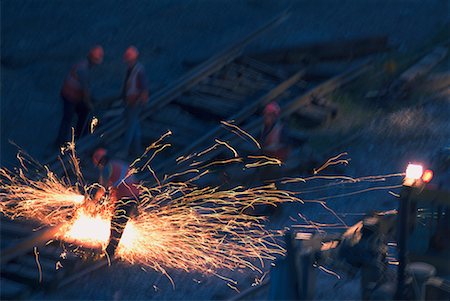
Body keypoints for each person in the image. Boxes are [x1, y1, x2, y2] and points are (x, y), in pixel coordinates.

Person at [92, 148, 140, 257]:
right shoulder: (119, 164)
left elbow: (102, 189)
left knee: (116, 224)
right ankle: (111, 251)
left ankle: (109, 254)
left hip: (125, 196)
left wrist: (95, 202)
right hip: (135, 195)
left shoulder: (106, 168)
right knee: (121, 222)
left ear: (100, 162)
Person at [56, 45, 104, 147]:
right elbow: (85, 91)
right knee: (67, 119)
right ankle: (61, 143)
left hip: (71, 94)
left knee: (82, 112)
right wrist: (90, 104)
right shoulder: (84, 70)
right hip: (69, 96)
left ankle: (79, 135)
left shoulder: (83, 64)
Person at [120, 46, 149, 157]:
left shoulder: (139, 71)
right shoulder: (131, 69)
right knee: (135, 126)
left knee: (130, 127)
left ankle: (124, 150)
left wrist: (139, 102)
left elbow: (144, 89)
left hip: (136, 104)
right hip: (131, 102)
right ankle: (136, 150)